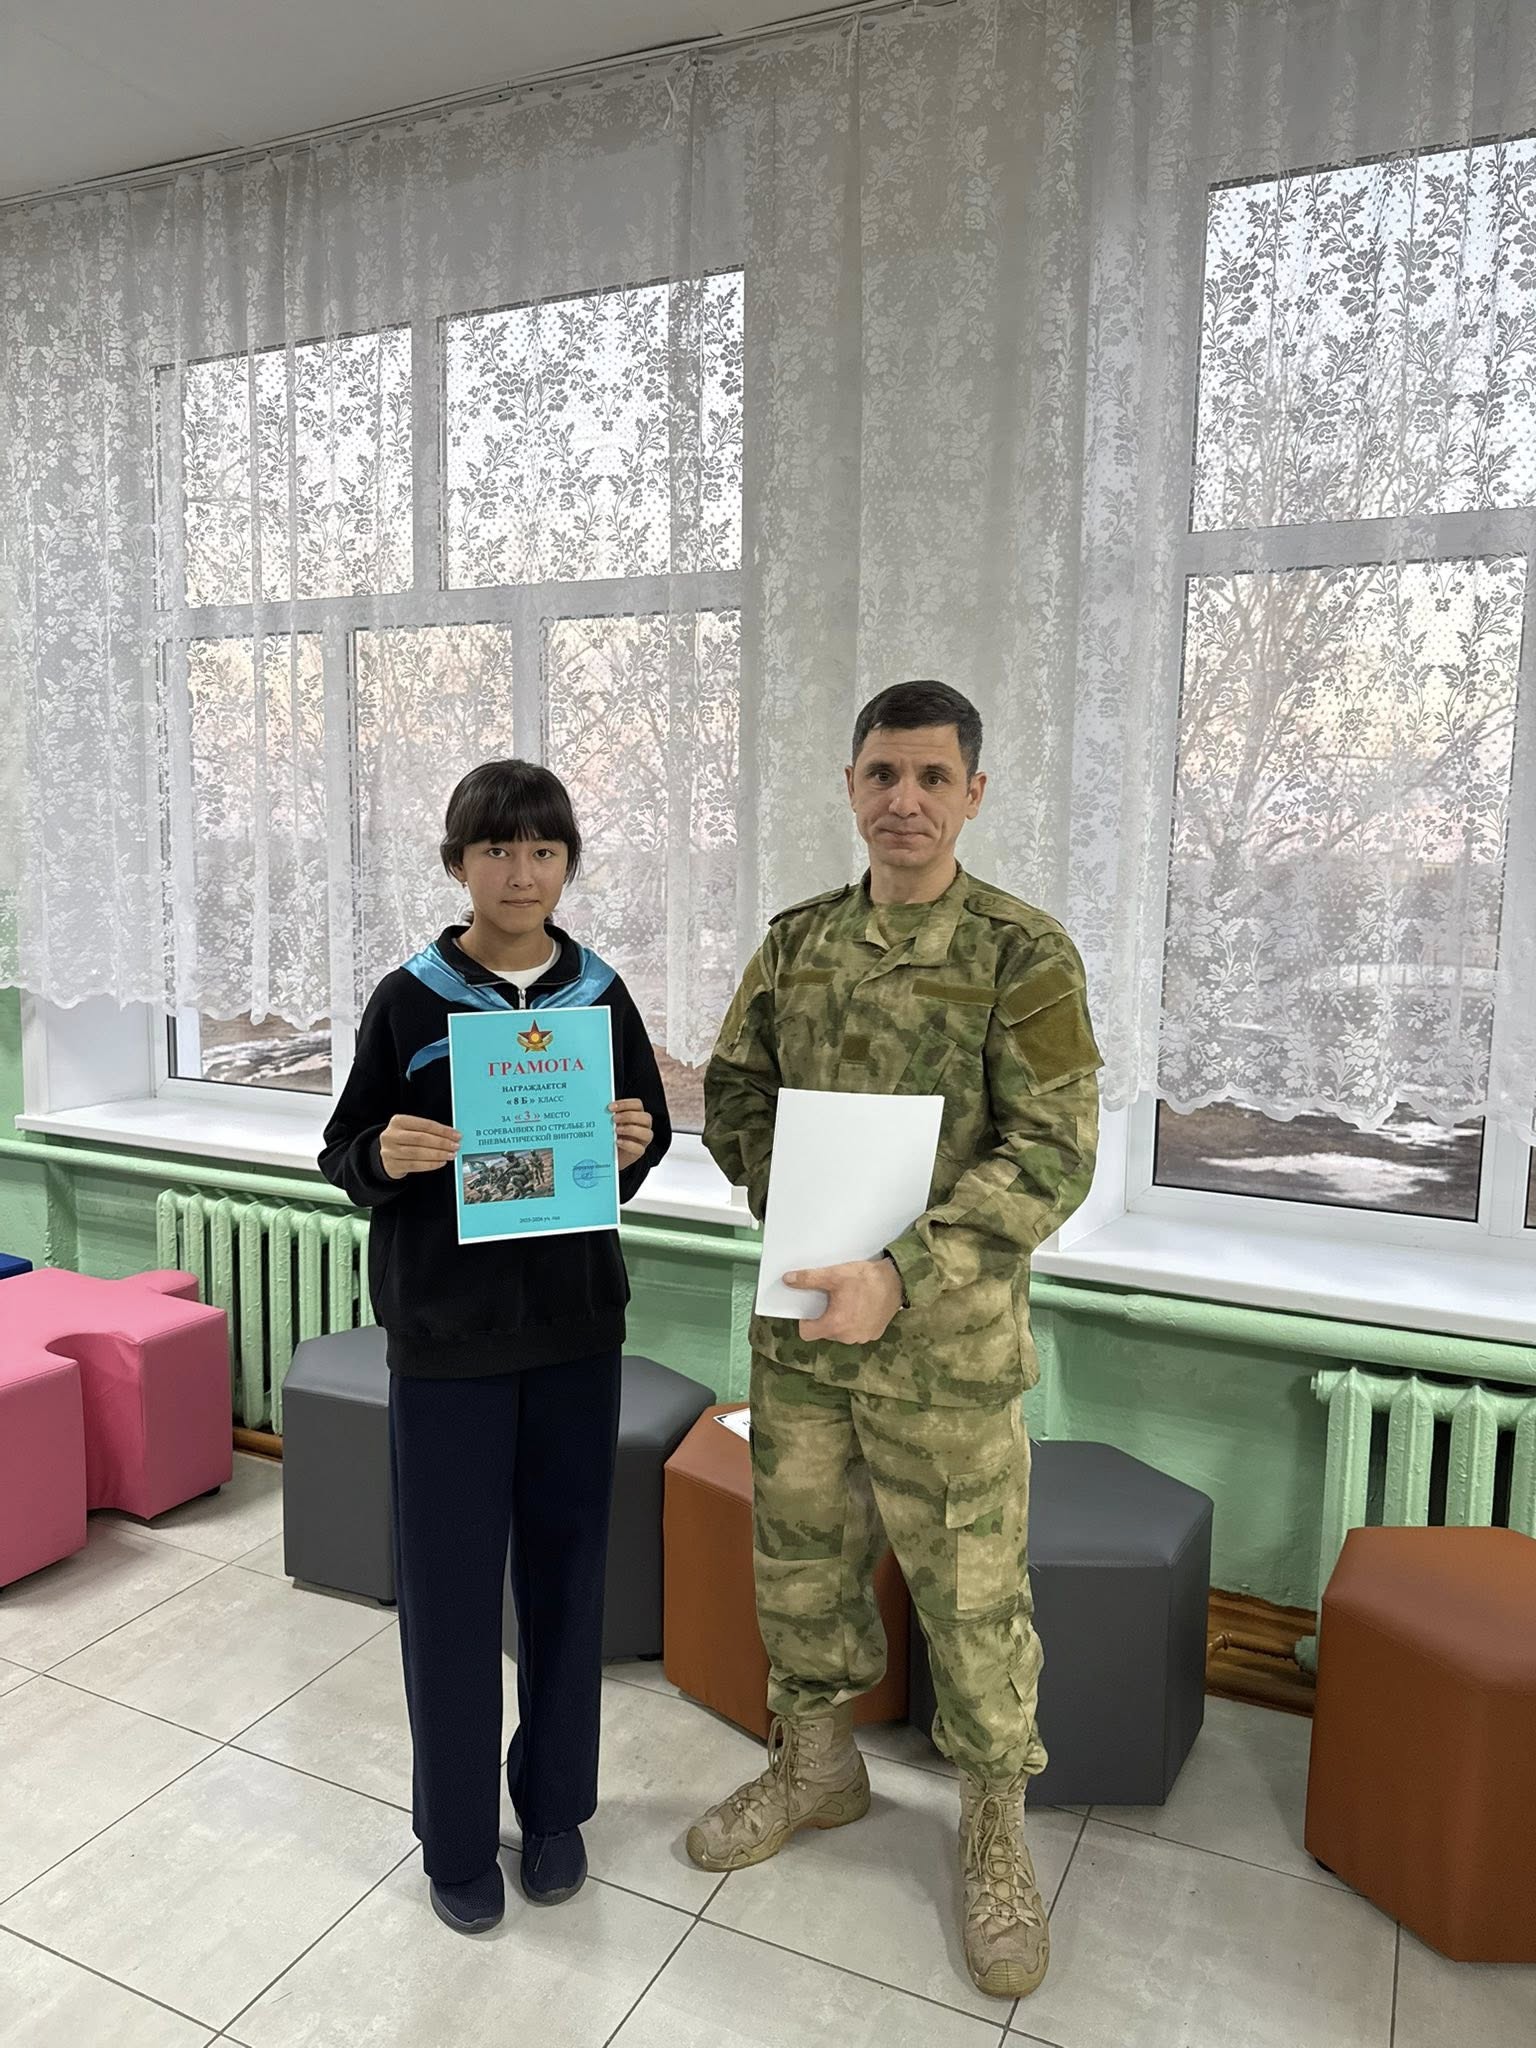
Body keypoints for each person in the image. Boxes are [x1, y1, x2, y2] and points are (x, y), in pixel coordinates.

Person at [686, 680, 1100, 2000]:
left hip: (946, 1352)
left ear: (974, 792)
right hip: (808, 1332)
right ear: (851, 786)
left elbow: (1055, 1151)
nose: (904, 799)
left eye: (931, 776)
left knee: (973, 1595)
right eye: (882, 774)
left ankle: (993, 1827)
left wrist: (900, 1271)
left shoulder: (1025, 956)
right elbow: (736, 1090)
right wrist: (803, 1211)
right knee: (800, 1563)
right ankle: (817, 1763)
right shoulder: (798, 943)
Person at [319, 759, 671, 1934]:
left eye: (544, 851)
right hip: (446, 1342)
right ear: (457, 862)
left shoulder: (600, 995)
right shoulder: (408, 1000)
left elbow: (638, 1143)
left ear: (568, 864)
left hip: (576, 1335)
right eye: (497, 849)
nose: (522, 874)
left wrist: (633, 1143)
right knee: (450, 1593)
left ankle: (557, 1807)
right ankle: (459, 1837)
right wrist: (385, 1156)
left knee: (569, 1578)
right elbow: (344, 1150)